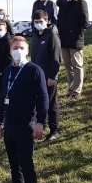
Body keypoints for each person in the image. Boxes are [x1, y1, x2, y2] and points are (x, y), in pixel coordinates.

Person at [0, 36, 49, 183]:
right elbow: (2, 98)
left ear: (27, 50)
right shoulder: (8, 70)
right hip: (9, 125)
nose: (17, 50)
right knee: (14, 166)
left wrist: (41, 122)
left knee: (27, 166)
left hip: (27, 124)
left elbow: (43, 98)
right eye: (14, 48)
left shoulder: (34, 70)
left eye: (21, 47)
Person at [29, 9, 62, 141]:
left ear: (47, 21)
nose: (38, 24)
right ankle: (39, 128)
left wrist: (53, 76)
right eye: (36, 22)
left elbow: (56, 58)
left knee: (51, 103)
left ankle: (55, 130)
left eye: (40, 21)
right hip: (37, 77)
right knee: (39, 103)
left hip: (49, 77)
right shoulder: (35, 36)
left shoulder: (52, 35)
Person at [56, 0, 90, 99]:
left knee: (77, 65)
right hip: (64, 39)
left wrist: (75, 29)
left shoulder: (81, 1)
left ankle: (77, 90)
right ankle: (71, 87)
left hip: (75, 39)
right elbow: (58, 2)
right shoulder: (64, 2)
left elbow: (85, 22)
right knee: (67, 65)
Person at [0, 18, 14, 112]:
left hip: (5, 72)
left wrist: (4, 72)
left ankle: (6, 116)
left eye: (0, 29)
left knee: (6, 96)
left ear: (6, 30)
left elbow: (9, 59)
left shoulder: (8, 41)